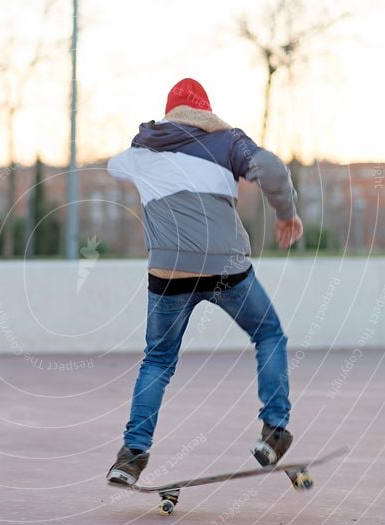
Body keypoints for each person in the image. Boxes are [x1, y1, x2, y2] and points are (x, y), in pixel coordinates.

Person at [105, 78, 304, 485]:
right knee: (268, 333)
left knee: (157, 362)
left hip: (168, 273)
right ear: (206, 113)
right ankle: (274, 431)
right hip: (225, 269)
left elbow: (113, 166)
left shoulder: (143, 151)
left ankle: (131, 457)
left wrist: (147, 154)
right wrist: (286, 213)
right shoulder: (228, 142)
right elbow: (271, 169)